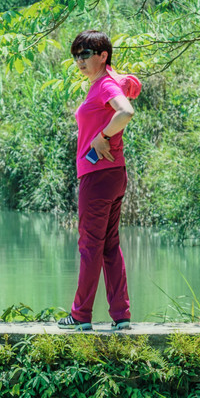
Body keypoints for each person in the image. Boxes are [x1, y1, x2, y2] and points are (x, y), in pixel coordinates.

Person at [59, 30, 141, 331]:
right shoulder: (105, 82)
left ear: (102, 55)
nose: (79, 60)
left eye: (86, 54)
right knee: (108, 245)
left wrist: (101, 136)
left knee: (89, 245)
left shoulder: (105, 84)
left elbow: (126, 111)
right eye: (76, 55)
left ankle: (80, 316)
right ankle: (121, 316)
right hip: (113, 174)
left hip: (98, 176)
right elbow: (131, 87)